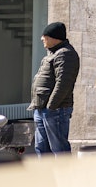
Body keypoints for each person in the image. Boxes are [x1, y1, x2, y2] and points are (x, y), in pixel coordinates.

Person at [28, 21, 80, 155]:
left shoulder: (65, 54)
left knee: (59, 150)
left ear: (54, 38)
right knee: (42, 149)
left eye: (45, 36)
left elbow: (63, 83)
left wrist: (51, 106)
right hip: (42, 109)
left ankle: (64, 176)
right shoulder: (53, 53)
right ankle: (47, 176)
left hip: (55, 110)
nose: (41, 39)